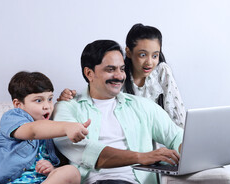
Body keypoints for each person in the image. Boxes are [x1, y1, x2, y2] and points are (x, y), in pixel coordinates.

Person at [10, 40, 183, 184]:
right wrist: (140, 156)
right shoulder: (67, 108)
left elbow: (177, 137)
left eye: (122, 69)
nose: (119, 76)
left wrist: (191, 151)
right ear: (89, 73)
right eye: (110, 69)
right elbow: (86, 151)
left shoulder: (143, 106)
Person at [58, 23, 186, 128]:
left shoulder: (162, 71)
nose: (149, 62)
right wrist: (71, 97)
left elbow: (176, 112)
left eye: (155, 55)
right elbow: (97, 95)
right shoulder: (118, 77)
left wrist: (180, 142)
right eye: (142, 55)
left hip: (158, 135)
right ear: (128, 52)